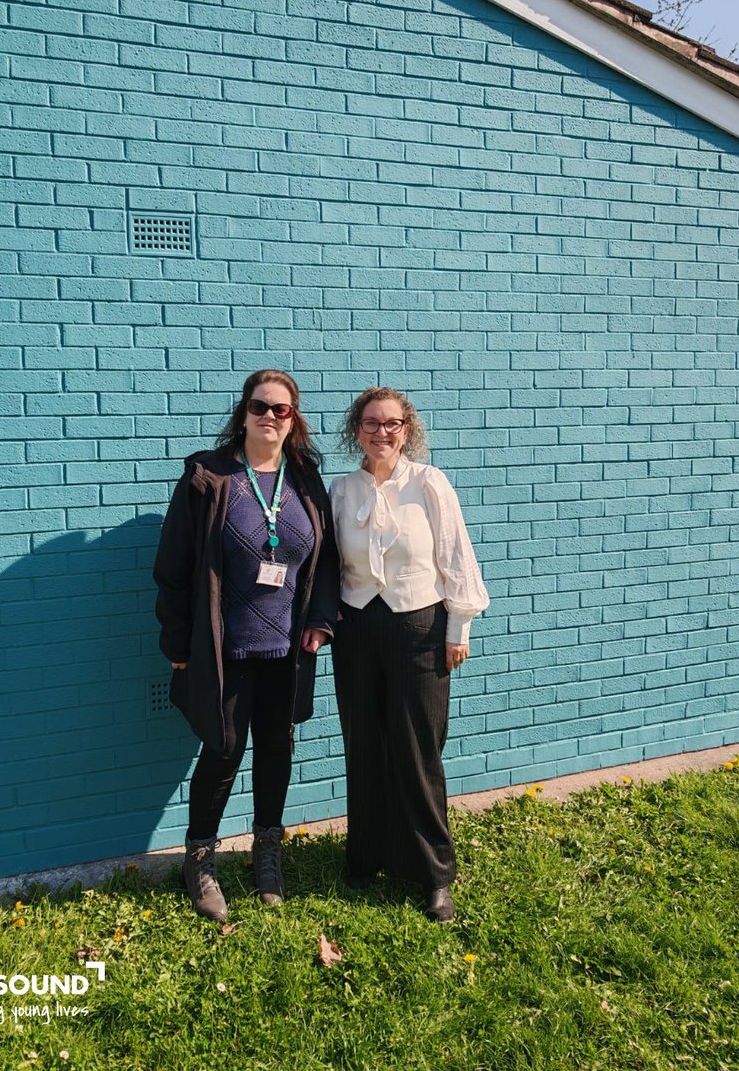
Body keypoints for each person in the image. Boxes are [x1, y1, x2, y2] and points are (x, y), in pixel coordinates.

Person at [153, 369, 339, 921]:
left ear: (293, 419)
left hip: (286, 648)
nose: (270, 417)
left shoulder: (304, 477)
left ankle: (267, 852)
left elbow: (326, 561)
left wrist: (322, 621)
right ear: (243, 411)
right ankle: (200, 859)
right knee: (223, 751)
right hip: (224, 648)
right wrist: (176, 642)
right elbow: (174, 566)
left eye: (282, 410)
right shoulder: (209, 477)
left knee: (277, 749)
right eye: (260, 406)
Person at [330, 387, 489, 923]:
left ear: (407, 429)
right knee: (365, 744)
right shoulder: (343, 490)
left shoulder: (429, 483)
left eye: (392, 423)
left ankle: (433, 874)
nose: (382, 432)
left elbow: (455, 552)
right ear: (357, 430)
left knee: (419, 749)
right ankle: (366, 857)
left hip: (420, 624)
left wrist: (458, 625)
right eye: (371, 423)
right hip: (356, 626)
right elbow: (331, 565)